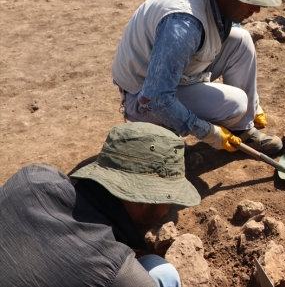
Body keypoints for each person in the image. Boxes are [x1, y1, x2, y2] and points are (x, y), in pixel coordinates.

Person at [112, 0, 283, 155]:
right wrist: (209, 132)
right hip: (142, 97)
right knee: (236, 103)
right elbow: (156, 97)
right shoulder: (184, 24)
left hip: (172, 76)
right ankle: (161, 130)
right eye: (252, 1)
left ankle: (242, 129)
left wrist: (253, 103)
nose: (256, 10)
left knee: (241, 40)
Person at [0, 122, 201, 287]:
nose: (166, 210)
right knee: (162, 273)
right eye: (167, 201)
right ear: (144, 202)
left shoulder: (32, 178)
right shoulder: (120, 275)